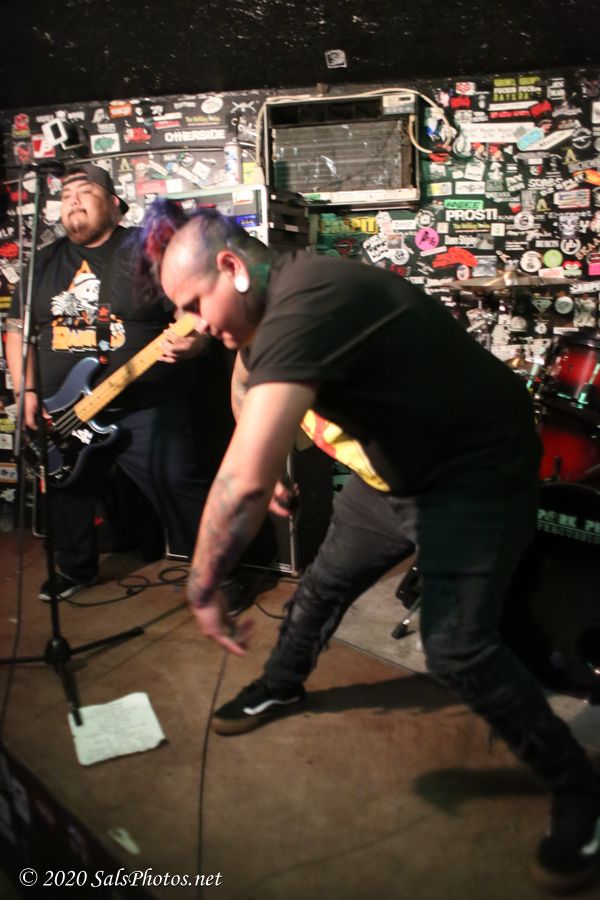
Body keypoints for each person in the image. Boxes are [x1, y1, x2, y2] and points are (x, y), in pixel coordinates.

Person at [155, 208, 599, 894]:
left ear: (233, 268)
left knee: (457, 648)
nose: (192, 325)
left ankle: (580, 790)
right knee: (322, 585)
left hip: (469, 475)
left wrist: (203, 581)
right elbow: (245, 377)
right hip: (388, 476)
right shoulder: (263, 314)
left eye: (193, 305)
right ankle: (280, 684)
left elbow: (238, 484)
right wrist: (272, 461)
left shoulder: (312, 296)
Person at [5, 165, 224, 601]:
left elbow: (194, 314)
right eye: (66, 193)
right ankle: (75, 570)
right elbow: (17, 332)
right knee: (67, 491)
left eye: (85, 190)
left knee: (179, 485)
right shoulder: (41, 263)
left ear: (115, 203)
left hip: (144, 404)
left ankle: (218, 574)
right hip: (62, 408)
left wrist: (195, 343)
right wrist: (24, 391)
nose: (73, 198)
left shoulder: (149, 253)